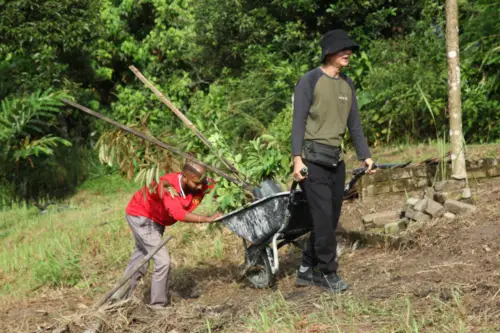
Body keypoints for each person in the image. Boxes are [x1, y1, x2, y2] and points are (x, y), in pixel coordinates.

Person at [291, 29, 375, 292]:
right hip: (311, 160)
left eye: (349, 49)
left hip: (336, 161)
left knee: (329, 217)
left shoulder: (347, 84)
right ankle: (328, 273)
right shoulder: (310, 80)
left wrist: (365, 156)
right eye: (342, 49)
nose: (348, 53)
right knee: (323, 218)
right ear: (329, 52)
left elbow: (355, 124)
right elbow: (298, 121)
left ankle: (306, 268)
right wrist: (296, 159)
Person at [123, 160, 223, 309]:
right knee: (163, 261)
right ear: (184, 177)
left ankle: (118, 298)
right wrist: (207, 219)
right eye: (196, 184)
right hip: (143, 217)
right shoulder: (168, 186)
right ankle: (158, 306)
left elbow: (219, 190)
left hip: (157, 219)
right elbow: (178, 213)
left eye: (202, 183)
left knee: (141, 260)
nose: (201, 187)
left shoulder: (200, 180)